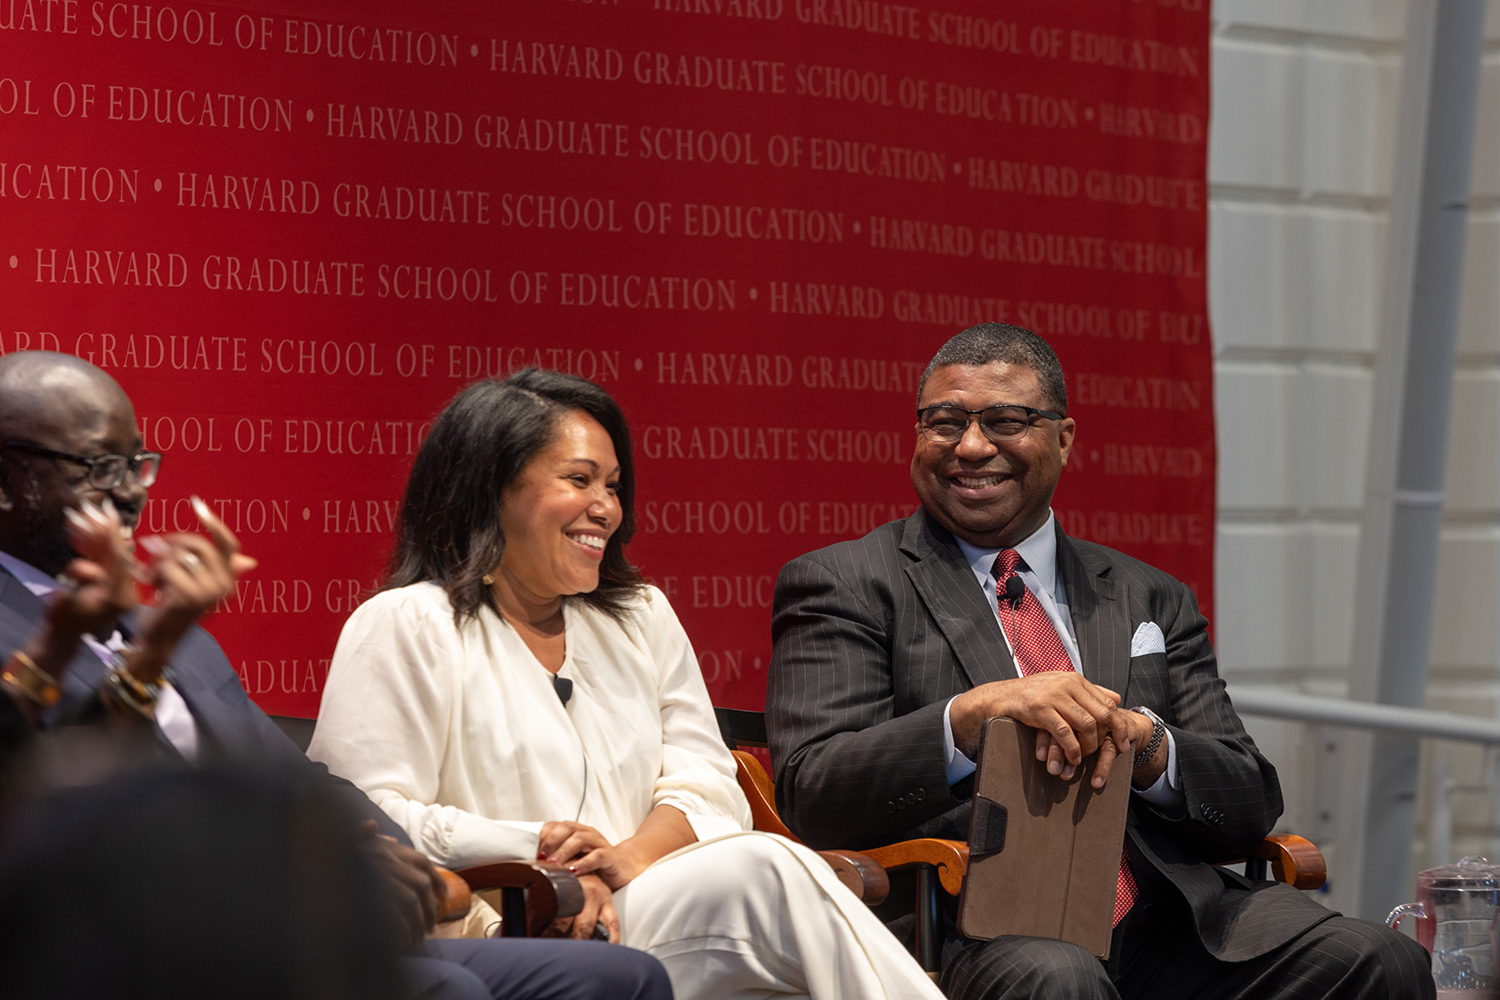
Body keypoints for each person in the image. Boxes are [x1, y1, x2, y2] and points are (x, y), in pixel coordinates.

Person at [766, 323, 1434, 1000]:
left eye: (1005, 421)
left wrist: (1151, 748)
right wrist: (969, 718)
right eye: (944, 422)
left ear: (1063, 440)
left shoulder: (1150, 595)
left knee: (1383, 960)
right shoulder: (847, 582)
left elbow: (1248, 797)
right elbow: (811, 788)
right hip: (975, 924)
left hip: (1175, 917)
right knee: (1060, 979)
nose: (970, 447)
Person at [0, 350, 674, 1000]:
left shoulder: (178, 641)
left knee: (623, 978)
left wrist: (394, 857)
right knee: (447, 986)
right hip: (144, 945)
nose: (127, 492)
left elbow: (301, 783)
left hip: (283, 934)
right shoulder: (48, 640)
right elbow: (50, 794)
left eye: (137, 465)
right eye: (97, 467)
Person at [308, 368, 947, 1000]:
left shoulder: (639, 615)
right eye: (579, 480)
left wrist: (629, 857)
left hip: (652, 894)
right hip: (509, 921)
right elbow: (364, 818)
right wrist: (537, 848)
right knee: (771, 873)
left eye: (613, 486)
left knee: (771, 912)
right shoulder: (408, 623)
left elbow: (707, 783)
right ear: (492, 487)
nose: (606, 508)